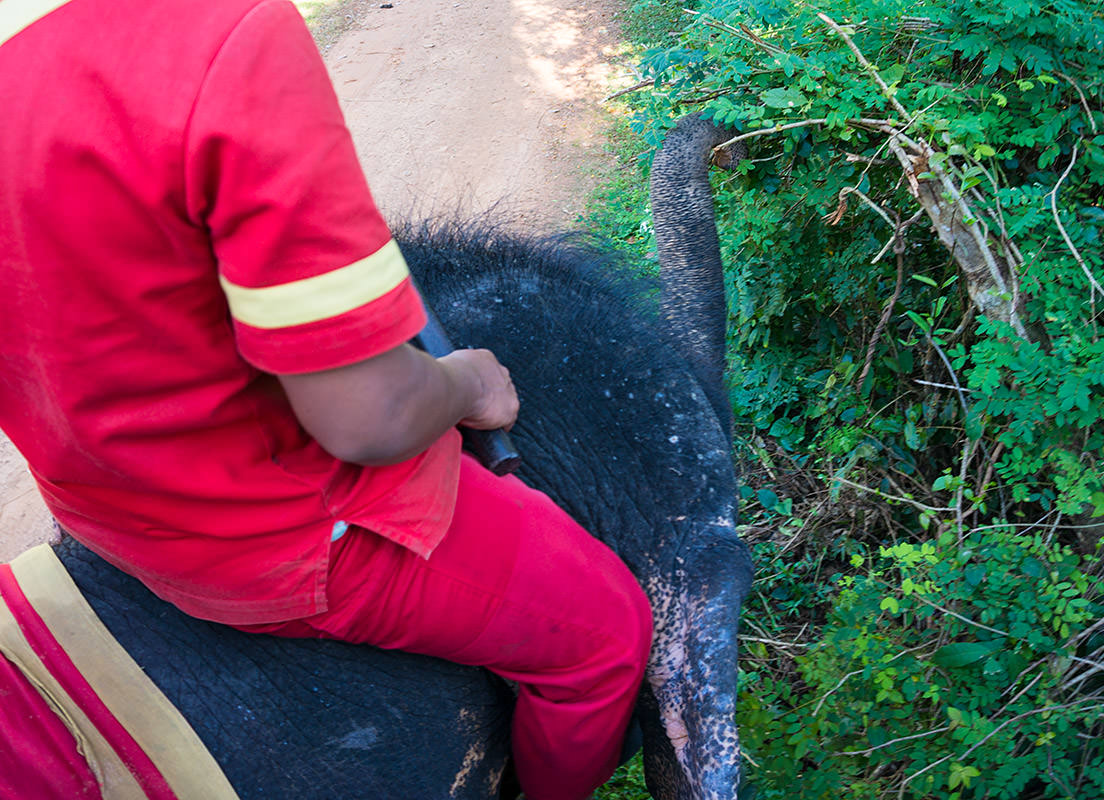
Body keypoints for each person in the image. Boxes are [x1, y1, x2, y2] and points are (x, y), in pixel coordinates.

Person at [0, 0, 652, 797]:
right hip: (284, 539)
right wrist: (470, 382)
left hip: (107, 517)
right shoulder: (223, 40)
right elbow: (369, 417)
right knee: (606, 637)